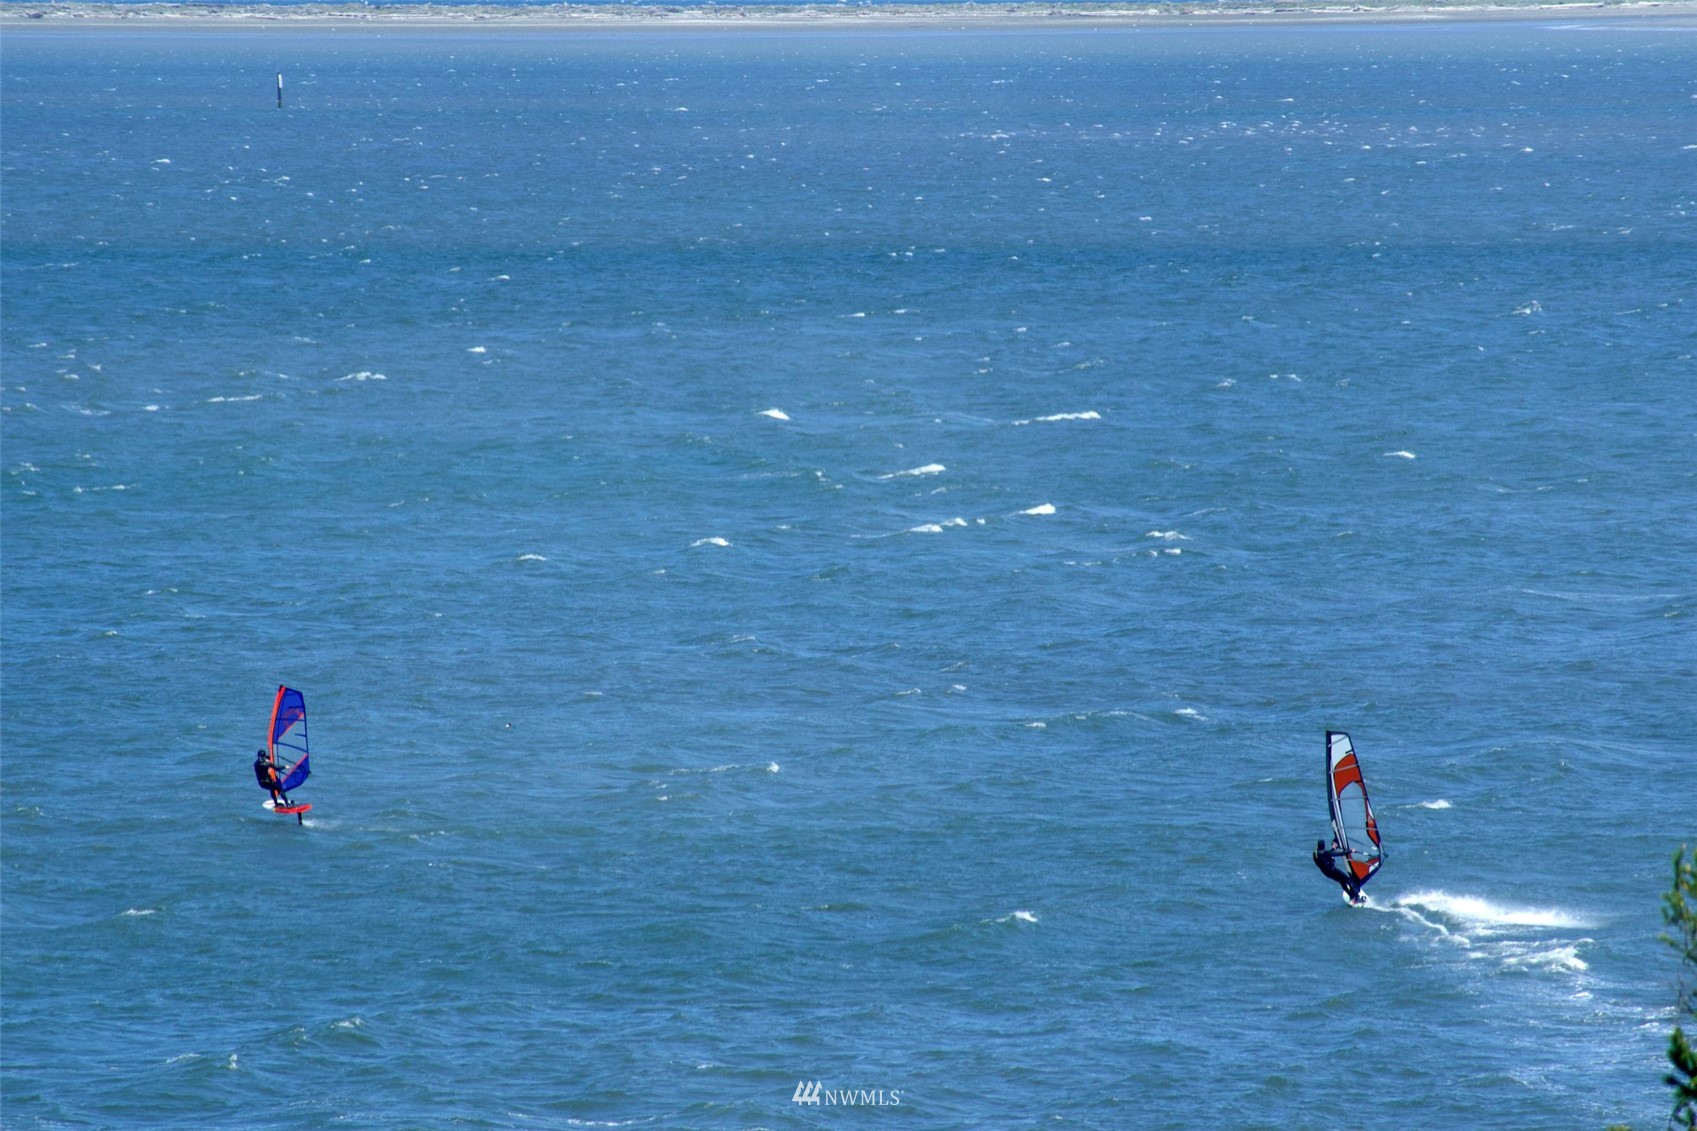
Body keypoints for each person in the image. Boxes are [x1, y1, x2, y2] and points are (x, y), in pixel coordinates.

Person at [1313, 838, 1364, 904]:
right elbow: (1339, 854)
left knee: (1342, 881)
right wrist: (1350, 851)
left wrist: (1333, 848)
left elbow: (1327, 854)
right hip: (1333, 870)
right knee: (1348, 880)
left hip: (1326, 873)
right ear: (1323, 845)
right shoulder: (1325, 852)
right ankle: (1357, 897)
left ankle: (1352, 896)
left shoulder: (1315, 853)